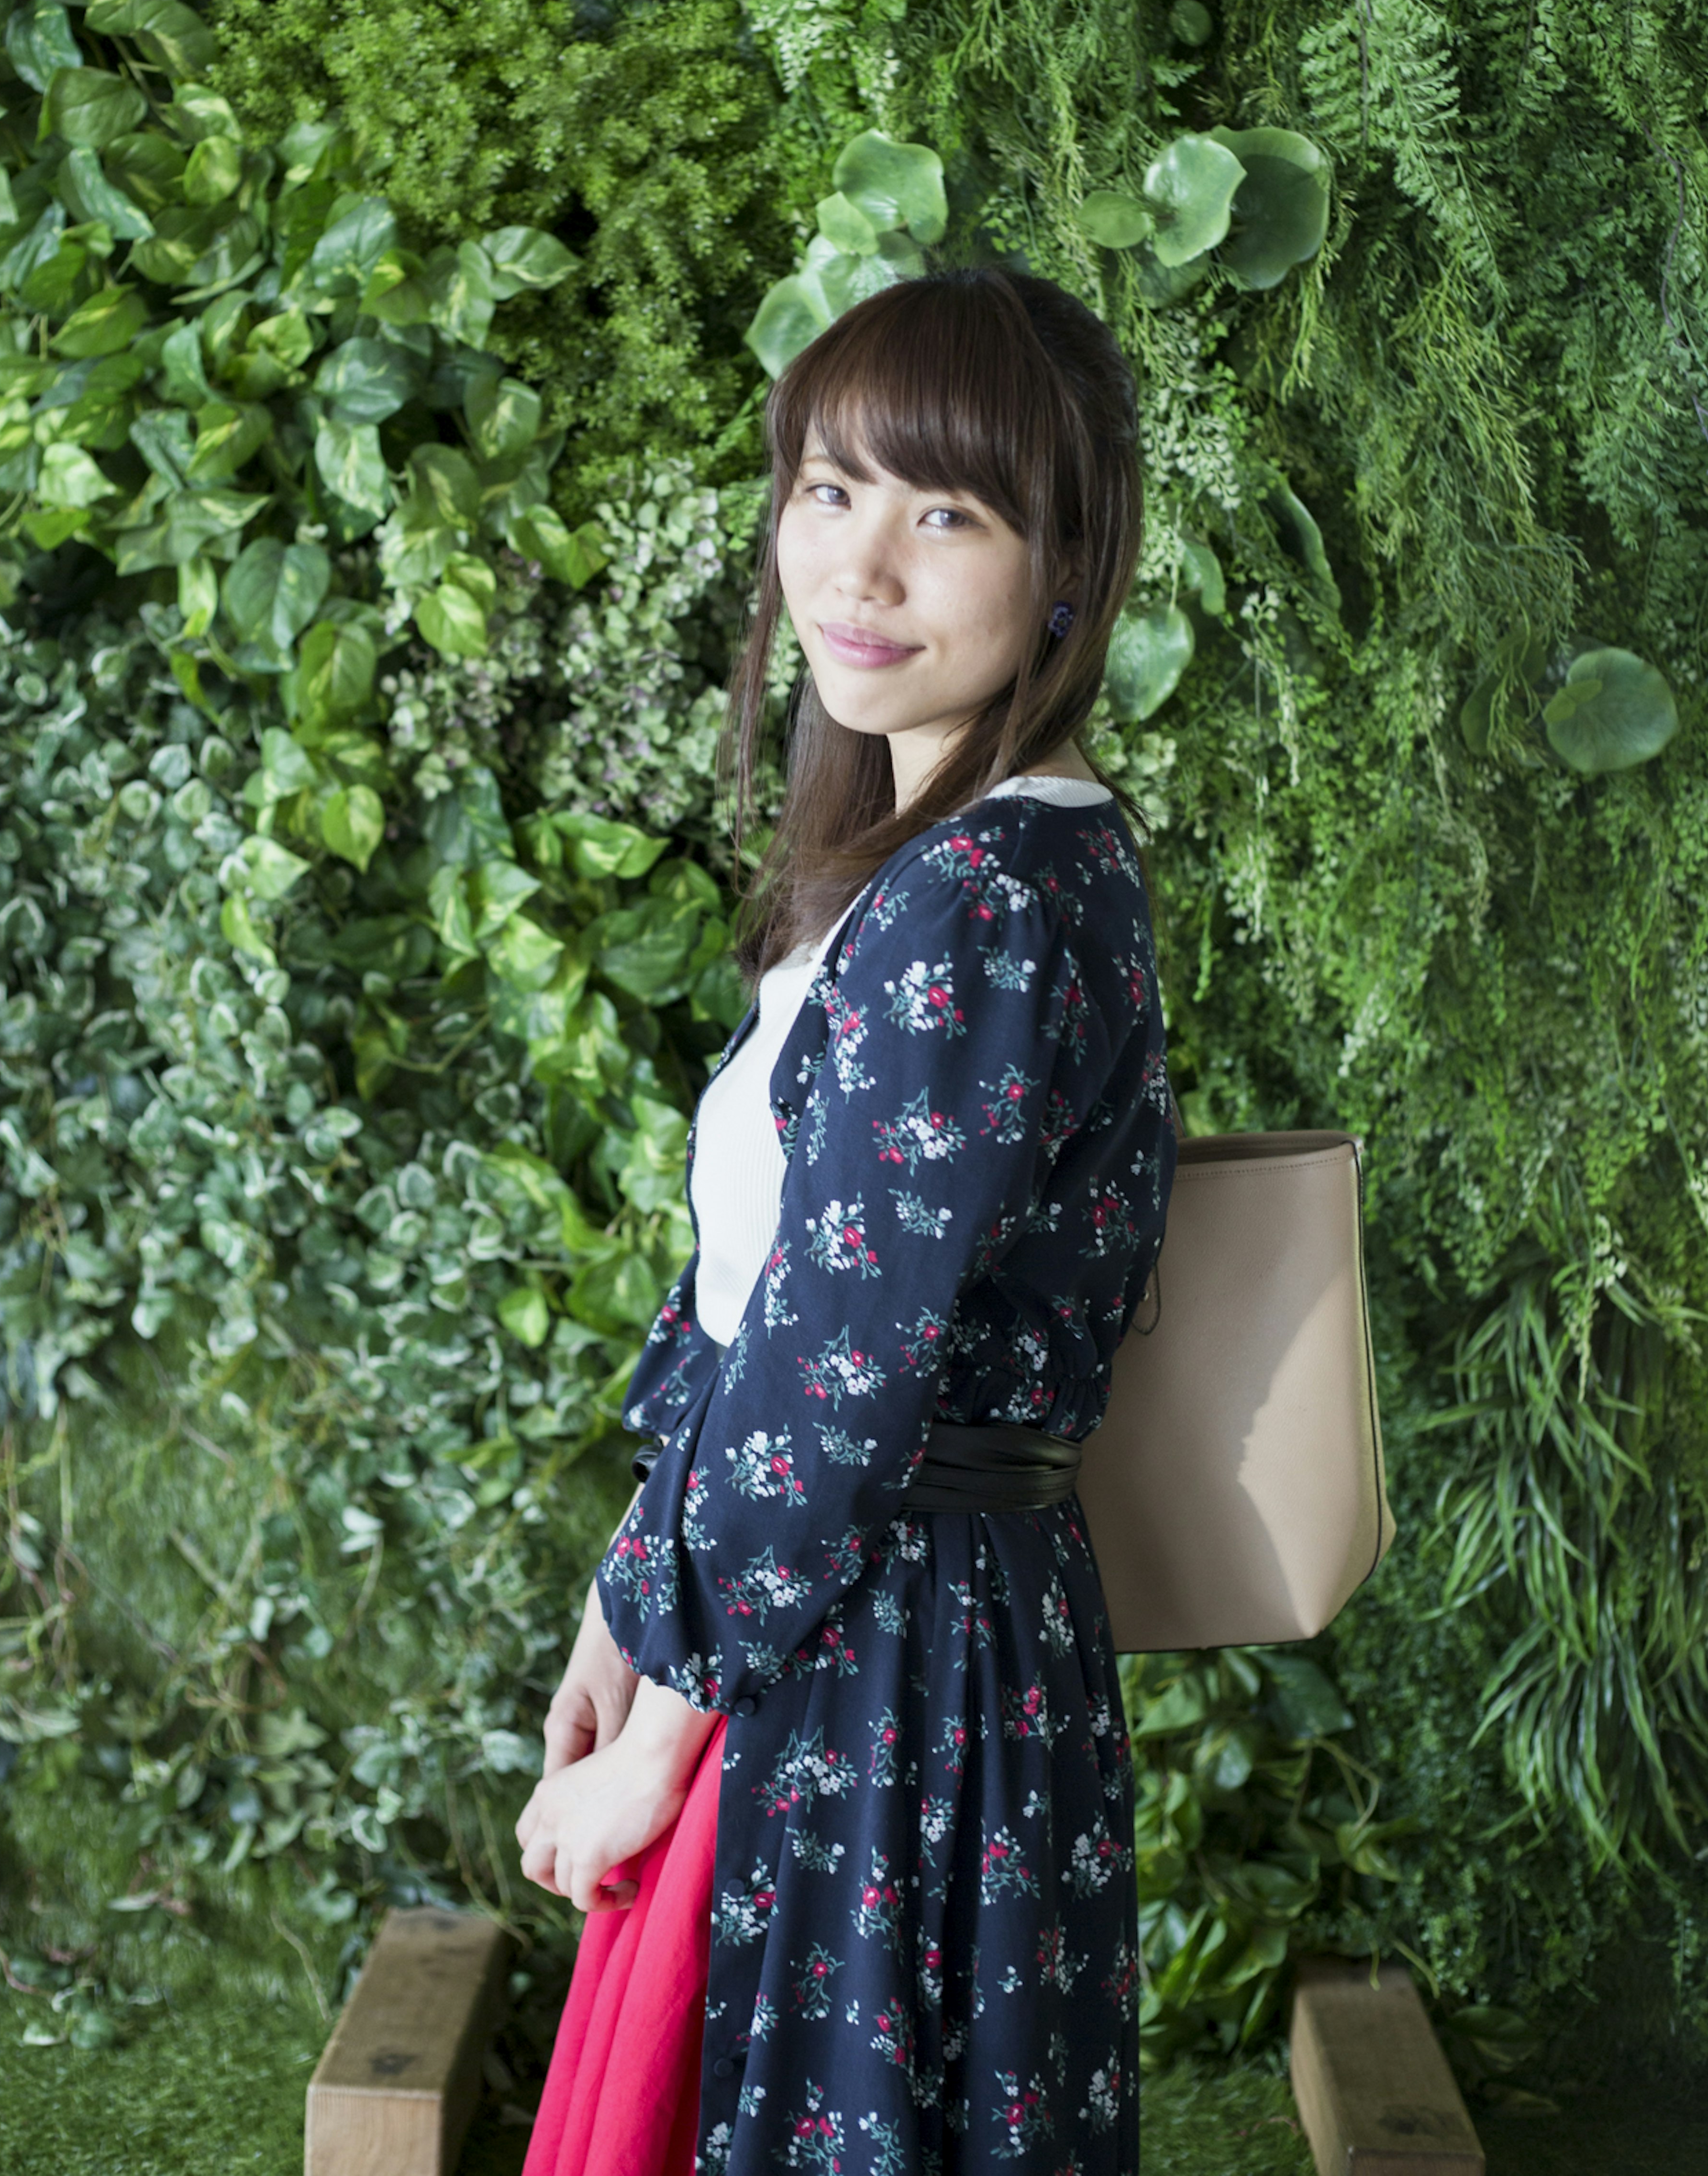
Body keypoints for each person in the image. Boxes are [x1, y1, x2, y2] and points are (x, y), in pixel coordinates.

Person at [517, 267, 1178, 2176]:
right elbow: (761, 1303)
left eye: (945, 512)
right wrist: (627, 1612)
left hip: (890, 1651)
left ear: (1067, 567)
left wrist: (660, 1730)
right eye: (829, 489)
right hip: (835, 1626)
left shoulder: (986, 897)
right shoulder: (918, 875)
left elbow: (843, 1363)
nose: (860, 569)